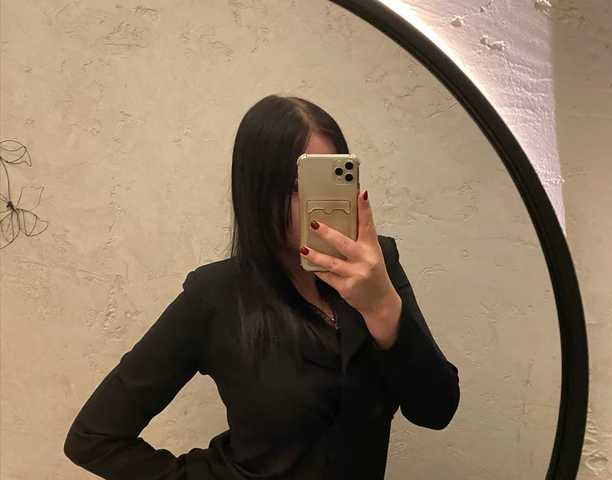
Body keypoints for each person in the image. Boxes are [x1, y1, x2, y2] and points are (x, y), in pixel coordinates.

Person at [63, 94, 460, 479]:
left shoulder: (378, 268)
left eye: (332, 181)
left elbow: (436, 410)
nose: (319, 204)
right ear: (256, 190)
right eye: (298, 186)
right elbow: (94, 438)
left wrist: (382, 306)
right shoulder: (216, 296)